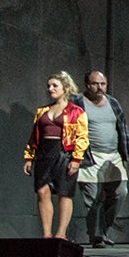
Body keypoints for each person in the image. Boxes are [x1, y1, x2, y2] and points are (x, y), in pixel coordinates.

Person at [23, 72, 89, 239]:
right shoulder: (42, 111)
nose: (50, 89)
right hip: (44, 153)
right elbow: (34, 136)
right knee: (42, 191)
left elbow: (82, 137)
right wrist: (29, 157)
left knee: (64, 193)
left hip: (64, 153)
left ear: (65, 88)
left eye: (54, 85)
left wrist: (76, 159)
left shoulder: (76, 111)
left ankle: (60, 233)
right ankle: (46, 234)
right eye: (49, 86)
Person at [72, 70, 129, 248]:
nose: (99, 87)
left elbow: (123, 128)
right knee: (92, 199)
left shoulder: (113, 103)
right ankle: (97, 236)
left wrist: (128, 154)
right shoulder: (77, 102)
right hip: (89, 156)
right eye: (95, 84)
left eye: (103, 84)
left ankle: (103, 229)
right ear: (87, 85)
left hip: (113, 156)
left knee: (121, 193)